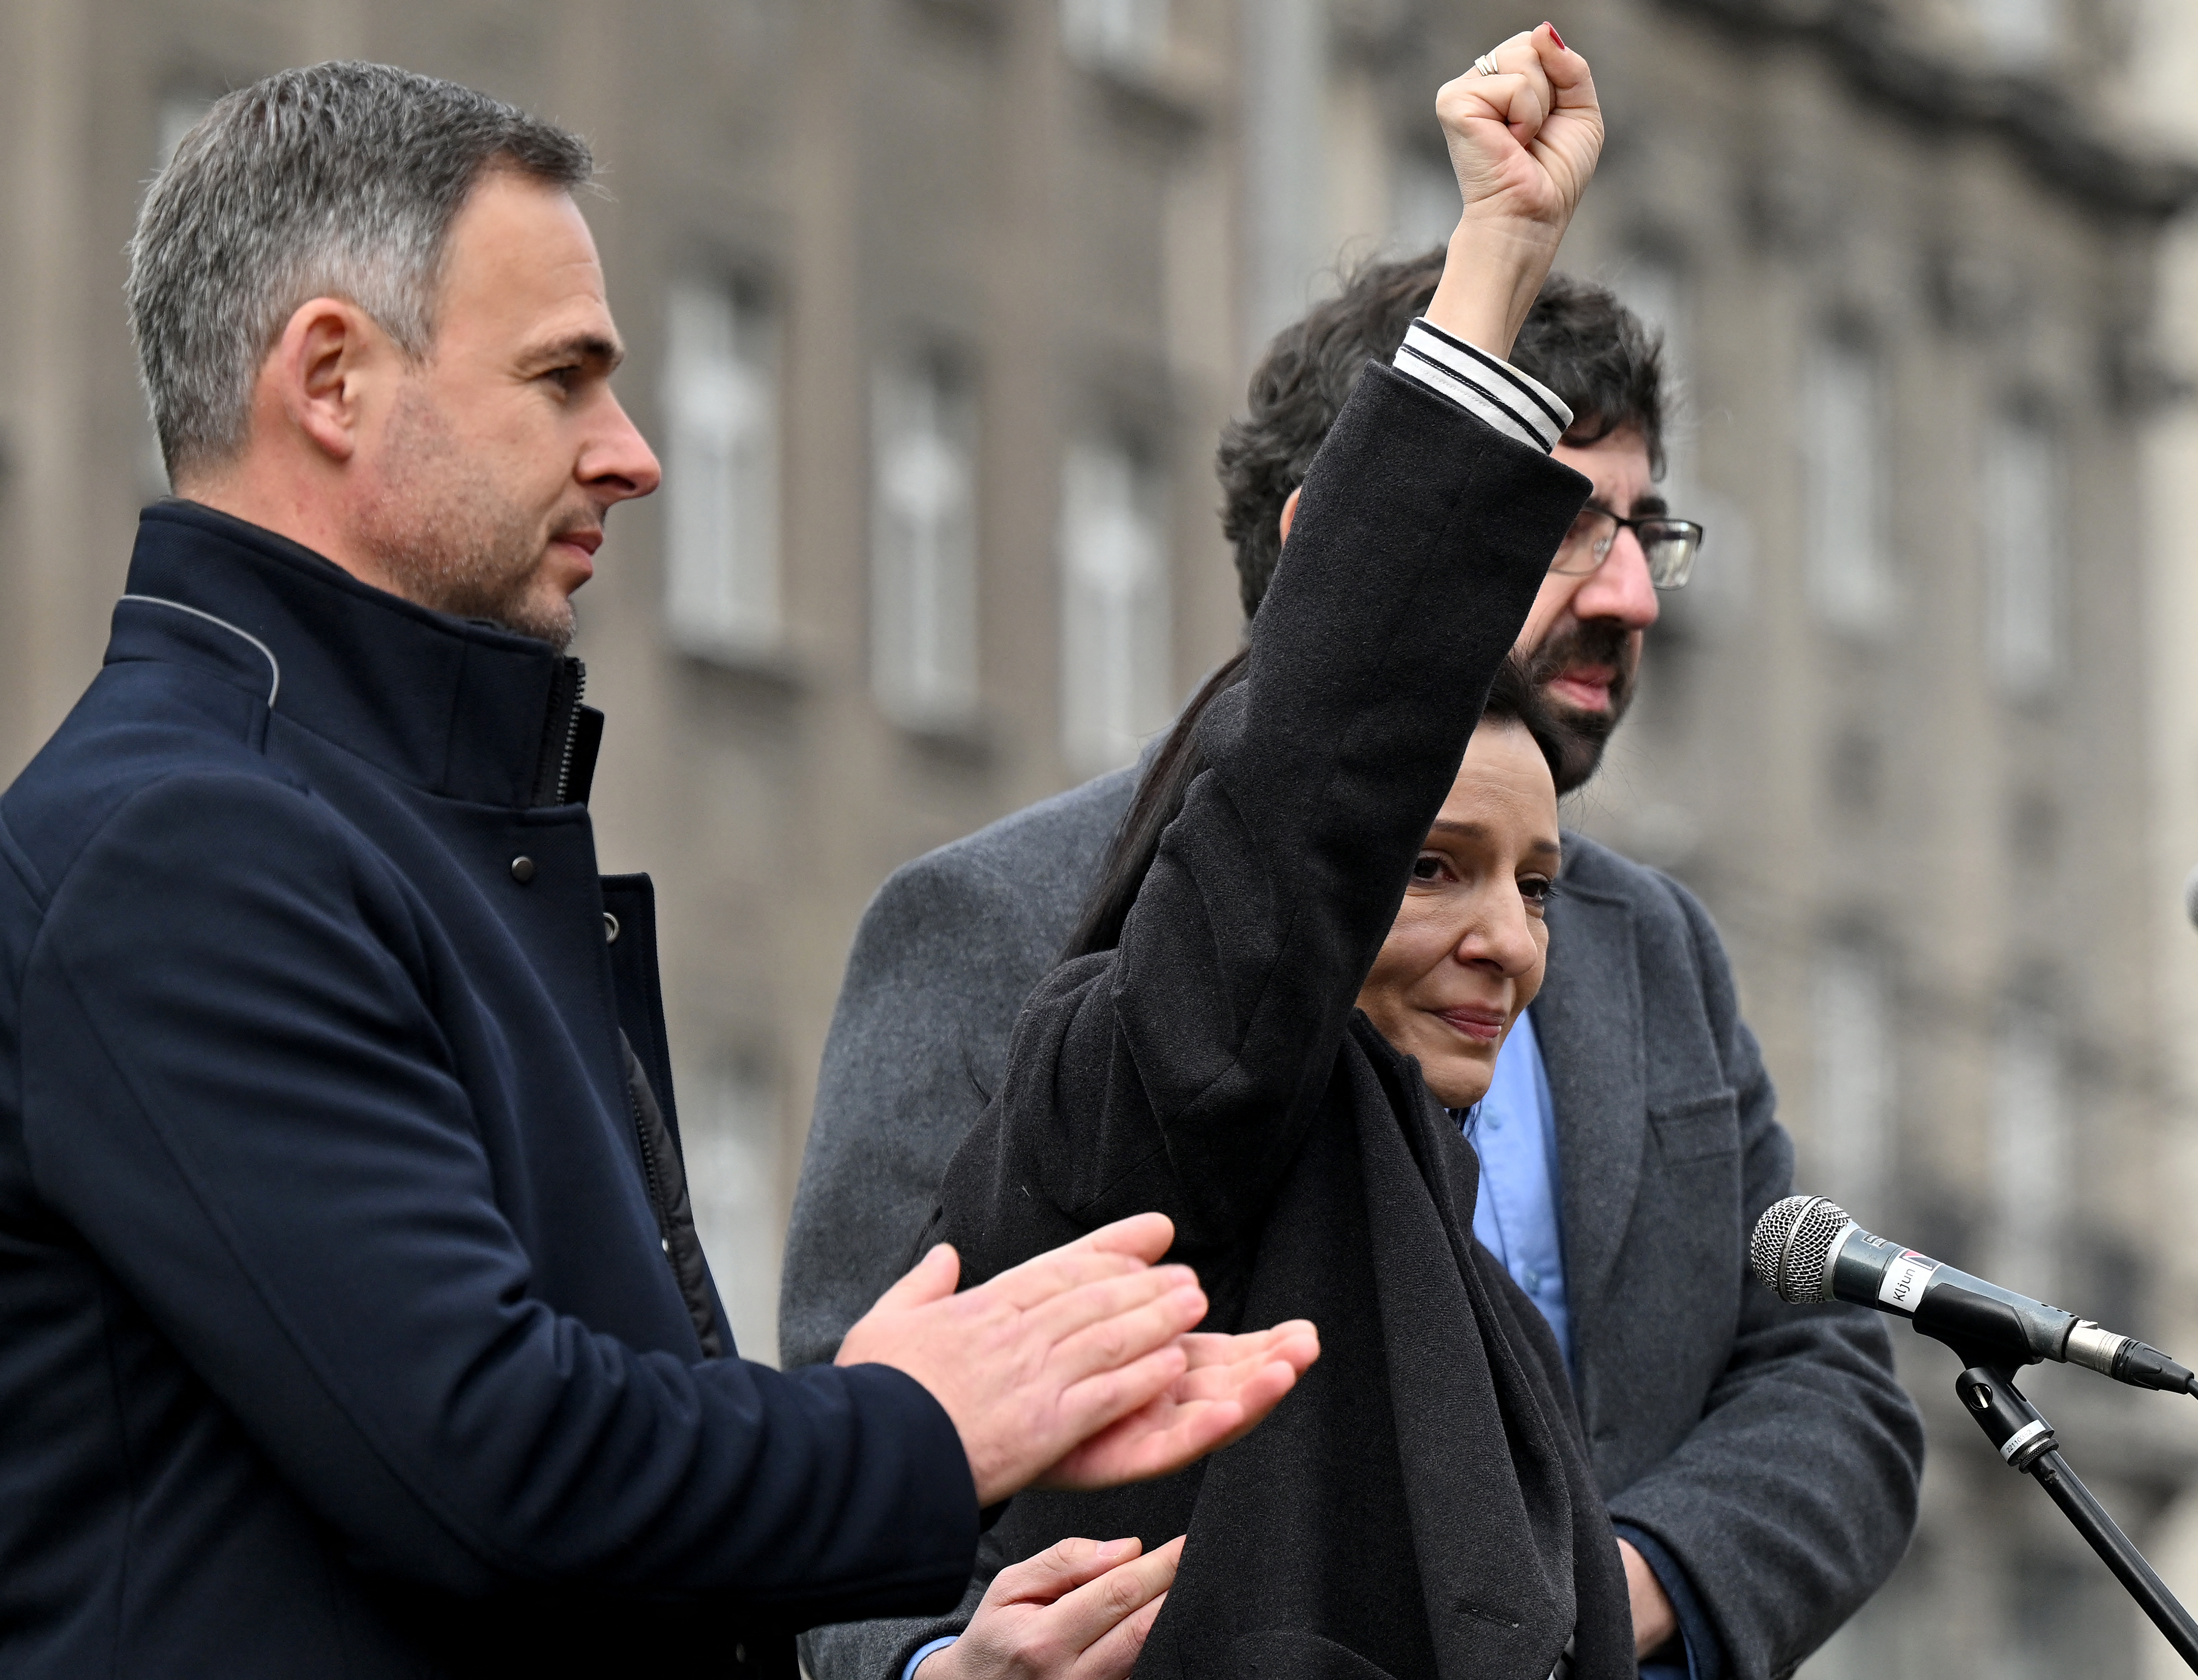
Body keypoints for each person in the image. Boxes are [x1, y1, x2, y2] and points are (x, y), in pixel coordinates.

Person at [0, 61, 1315, 1679]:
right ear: (330, 379)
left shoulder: (394, 827)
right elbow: (493, 1460)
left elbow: (534, 1547)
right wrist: (917, 1428)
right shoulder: (190, 845)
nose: (633, 453)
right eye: (563, 379)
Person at [784, 45, 1926, 1680]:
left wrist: (1596, 1582)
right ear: (1360, 556)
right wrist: (934, 1672)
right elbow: (857, 1426)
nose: (1629, 596)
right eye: (1560, 528)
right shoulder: (1071, 949)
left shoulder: (1654, 943)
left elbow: (1824, 1383)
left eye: (1647, 529)